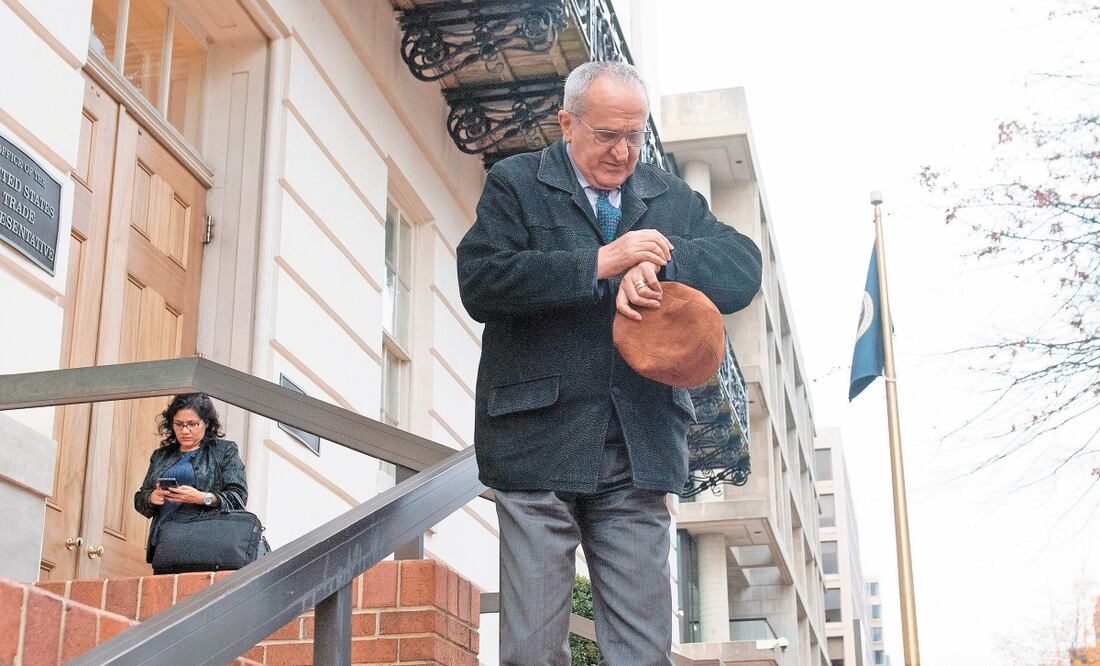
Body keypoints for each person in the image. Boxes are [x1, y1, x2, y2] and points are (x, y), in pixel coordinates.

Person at [456, 61, 762, 665]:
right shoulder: (516, 183)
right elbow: (481, 281)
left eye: (634, 134)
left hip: (638, 445)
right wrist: (600, 263)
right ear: (567, 123)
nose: (623, 151)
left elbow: (743, 264)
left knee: (644, 655)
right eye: (606, 135)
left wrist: (660, 266)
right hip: (536, 443)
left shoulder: (669, 196)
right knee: (531, 653)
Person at [134, 393, 248, 574]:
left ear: (206, 423)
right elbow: (140, 500)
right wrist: (151, 498)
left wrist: (202, 498)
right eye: (179, 424)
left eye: (192, 424)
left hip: (206, 543)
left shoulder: (224, 451)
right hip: (167, 544)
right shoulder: (161, 455)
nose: (185, 431)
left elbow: (238, 496)